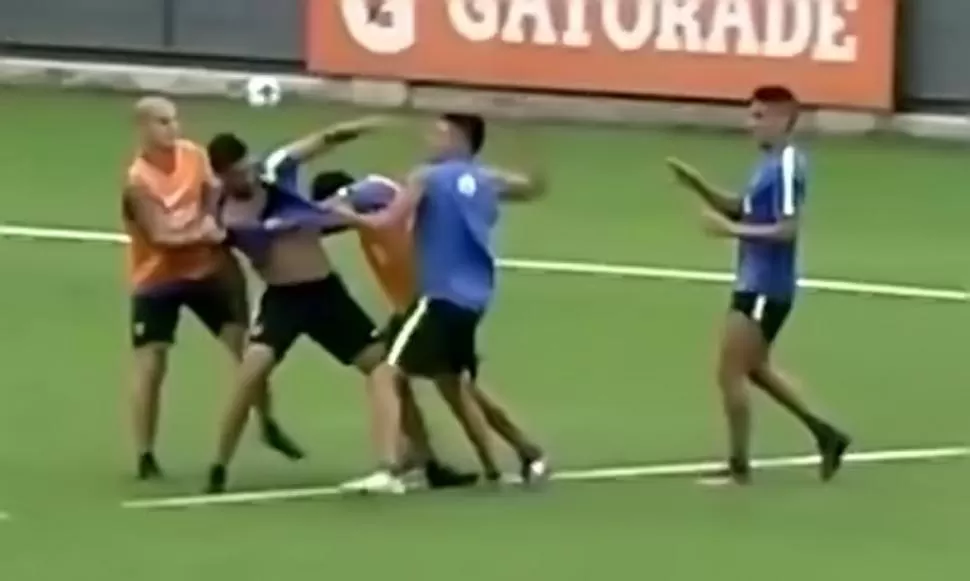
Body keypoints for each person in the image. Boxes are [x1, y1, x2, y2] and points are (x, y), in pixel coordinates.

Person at [203, 117, 477, 494]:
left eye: (247, 167)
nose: (246, 177)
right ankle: (218, 467)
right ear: (222, 176)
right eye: (236, 174)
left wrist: (366, 125)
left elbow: (326, 138)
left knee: (384, 370)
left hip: (325, 294)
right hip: (282, 300)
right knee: (250, 373)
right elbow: (217, 248)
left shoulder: (275, 172)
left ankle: (429, 461)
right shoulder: (220, 210)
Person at [332, 113, 547, 494]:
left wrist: (340, 214)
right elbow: (533, 186)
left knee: (385, 372)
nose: (430, 138)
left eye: (440, 132)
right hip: (474, 301)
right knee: (456, 385)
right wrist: (526, 140)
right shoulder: (489, 179)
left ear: (460, 138)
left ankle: (388, 470)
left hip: (438, 296)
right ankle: (529, 453)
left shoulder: (426, 177)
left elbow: (387, 221)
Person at [666, 85, 851, 484]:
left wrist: (729, 231)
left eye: (759, 116)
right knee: (755, 369)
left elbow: (787, 230)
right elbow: (742, 208)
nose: (751, 124)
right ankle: (827, 434)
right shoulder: (767, 165)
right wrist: (697, 184)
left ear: (784, 120)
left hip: (767, 286)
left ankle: (738, 468)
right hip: (755, 282)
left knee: (730, 372)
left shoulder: (787, 167)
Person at [123, 96, 301, 480]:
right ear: (143, 128)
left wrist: (210, 218)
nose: (173, 128)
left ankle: (267, 422)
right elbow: (160, 236)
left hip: (208, 273)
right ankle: (145, 454)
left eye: (174, 119)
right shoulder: (138, 181)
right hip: (157, 280)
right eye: (163, 122)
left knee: (248, 351)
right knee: (152, 363)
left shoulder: (194, 156)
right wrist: (203, 233)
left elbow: (214, 193)